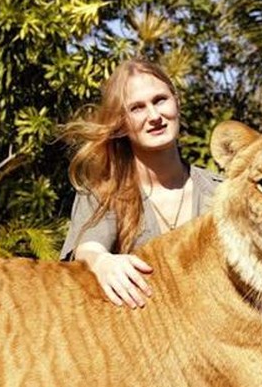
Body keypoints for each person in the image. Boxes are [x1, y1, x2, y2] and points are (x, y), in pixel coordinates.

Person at [60, 59, 223, 309]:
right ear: (121, 122)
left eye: (160, 100)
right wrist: (102, 263)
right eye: (137, 108)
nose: (154, 116)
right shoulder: (104, 191)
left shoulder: (220, 190)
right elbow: (87, 250)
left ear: (176, 102)